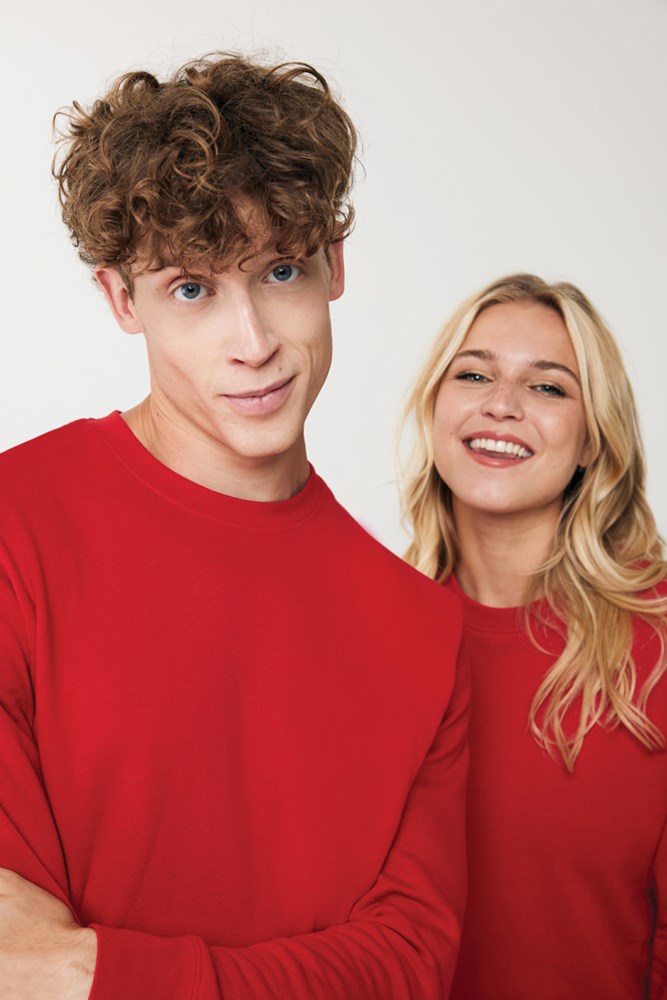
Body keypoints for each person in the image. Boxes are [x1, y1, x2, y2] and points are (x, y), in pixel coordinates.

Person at [0, 54, 469, 1000]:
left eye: (279, 271)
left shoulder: (422, 628)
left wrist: (102, 970)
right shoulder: (17, 526)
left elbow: (407, 966)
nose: (253, 344)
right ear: (120, 299)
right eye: (192, 289)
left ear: (334, 266)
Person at [399, 273, 667, 999]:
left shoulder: (656, 644)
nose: (502, 404)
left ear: (591, 443)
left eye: (547, 387)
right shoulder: (373, 635)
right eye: (473, 374)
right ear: (435, 409)